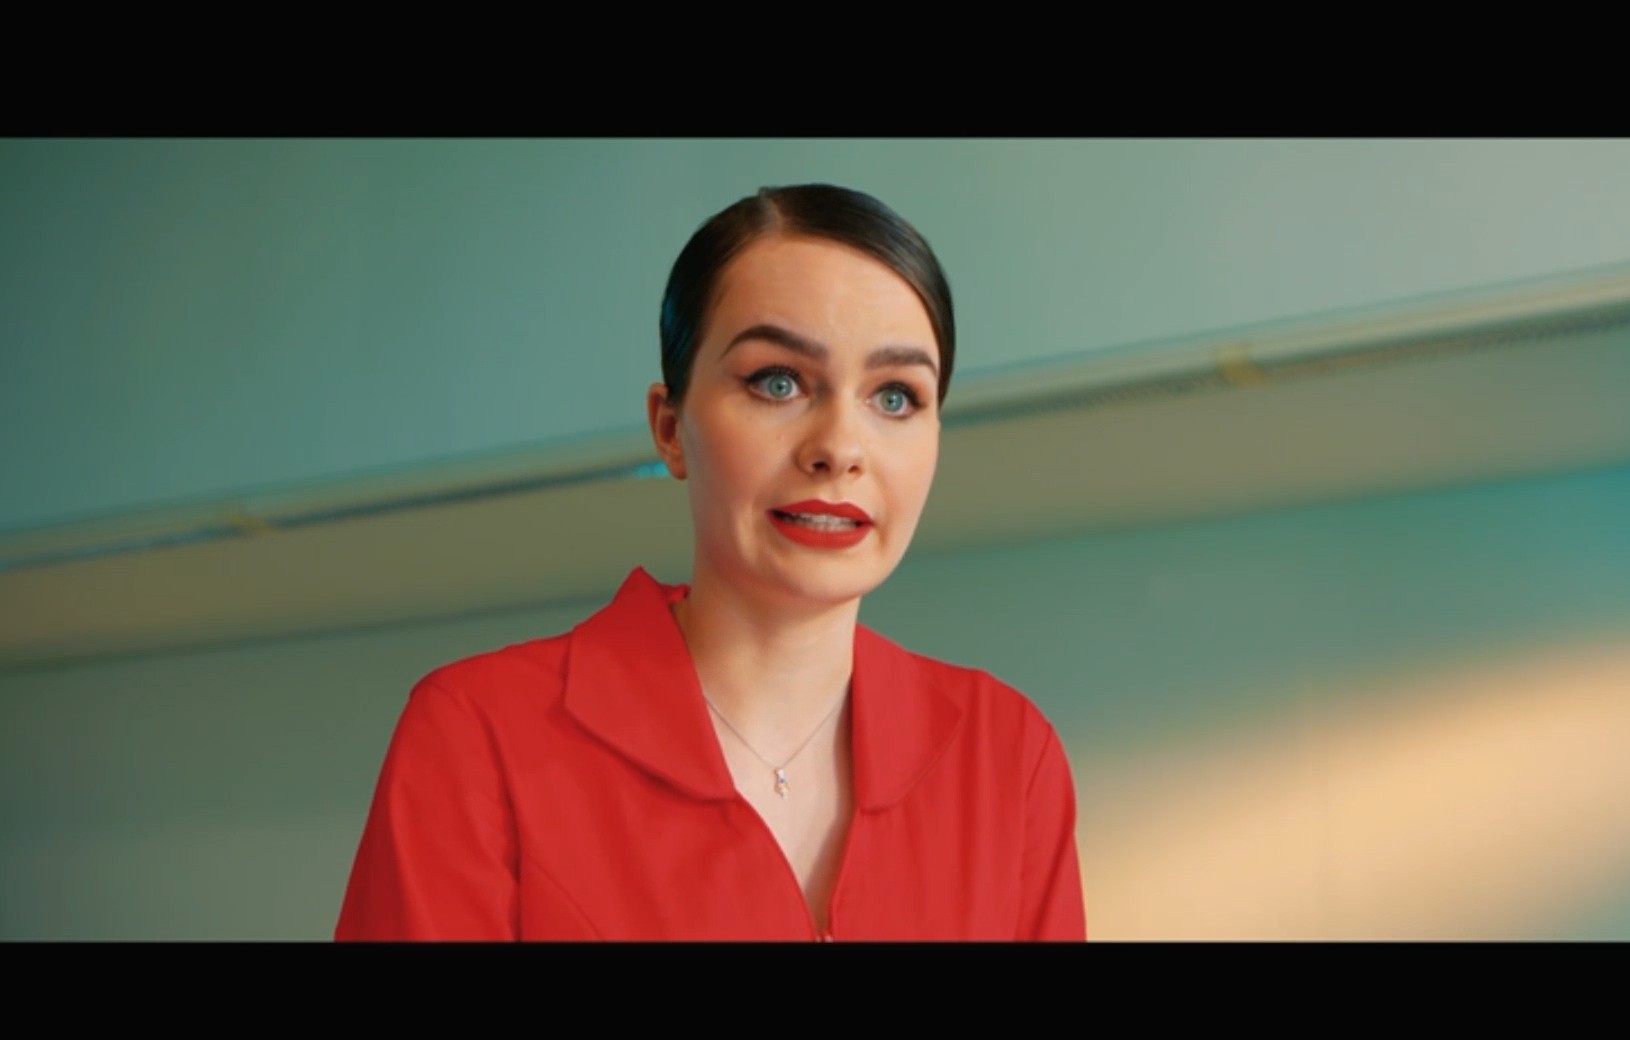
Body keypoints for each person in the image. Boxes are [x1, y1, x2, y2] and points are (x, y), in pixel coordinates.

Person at [334, 183, 1086, 941]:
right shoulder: (478, 736)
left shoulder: (1006, 757)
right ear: (670, 428)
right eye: (778, 382)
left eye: (895, 397)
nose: (839, 448)